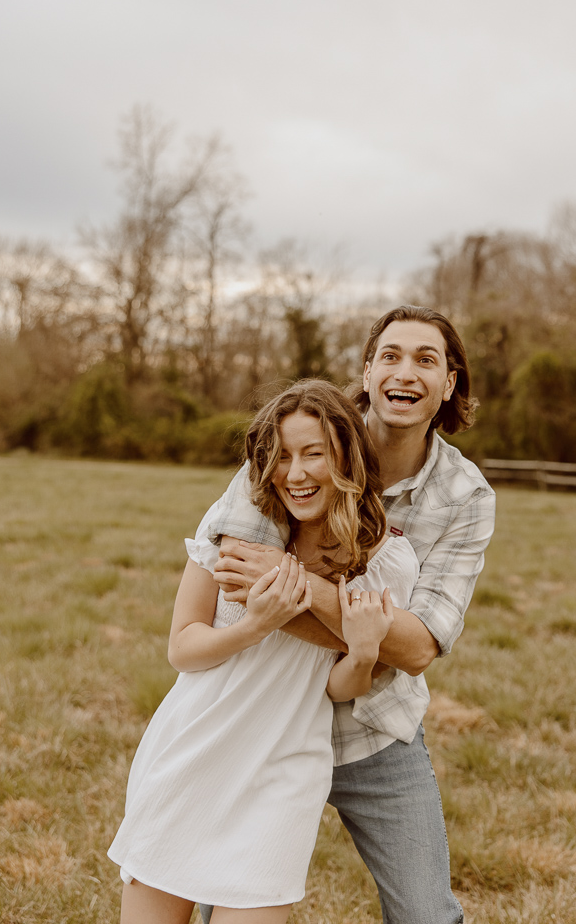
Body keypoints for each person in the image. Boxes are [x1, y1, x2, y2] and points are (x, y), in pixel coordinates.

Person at [199, 305, 497, 924]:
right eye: (390, 355)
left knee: (427, 914)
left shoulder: (466, 496)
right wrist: (358, 622)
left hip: (374, 725)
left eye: (426, 359)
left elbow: (417, 648)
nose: (405, 371)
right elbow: (235, 578)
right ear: (367, 372)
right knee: (224, 898)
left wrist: (293, 595)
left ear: (450, 385)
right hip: (268, 713)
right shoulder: (300, 437)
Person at [108, 380, 420, 924]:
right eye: (282, 457)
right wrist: (253, 626)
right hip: (194, 751)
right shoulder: (233, 531)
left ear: (347, 455)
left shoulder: (386, 561)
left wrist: (365, 652)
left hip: (283, 771)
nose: (294, 474)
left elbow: (335, 688)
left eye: (313, 455)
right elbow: (183, 648)